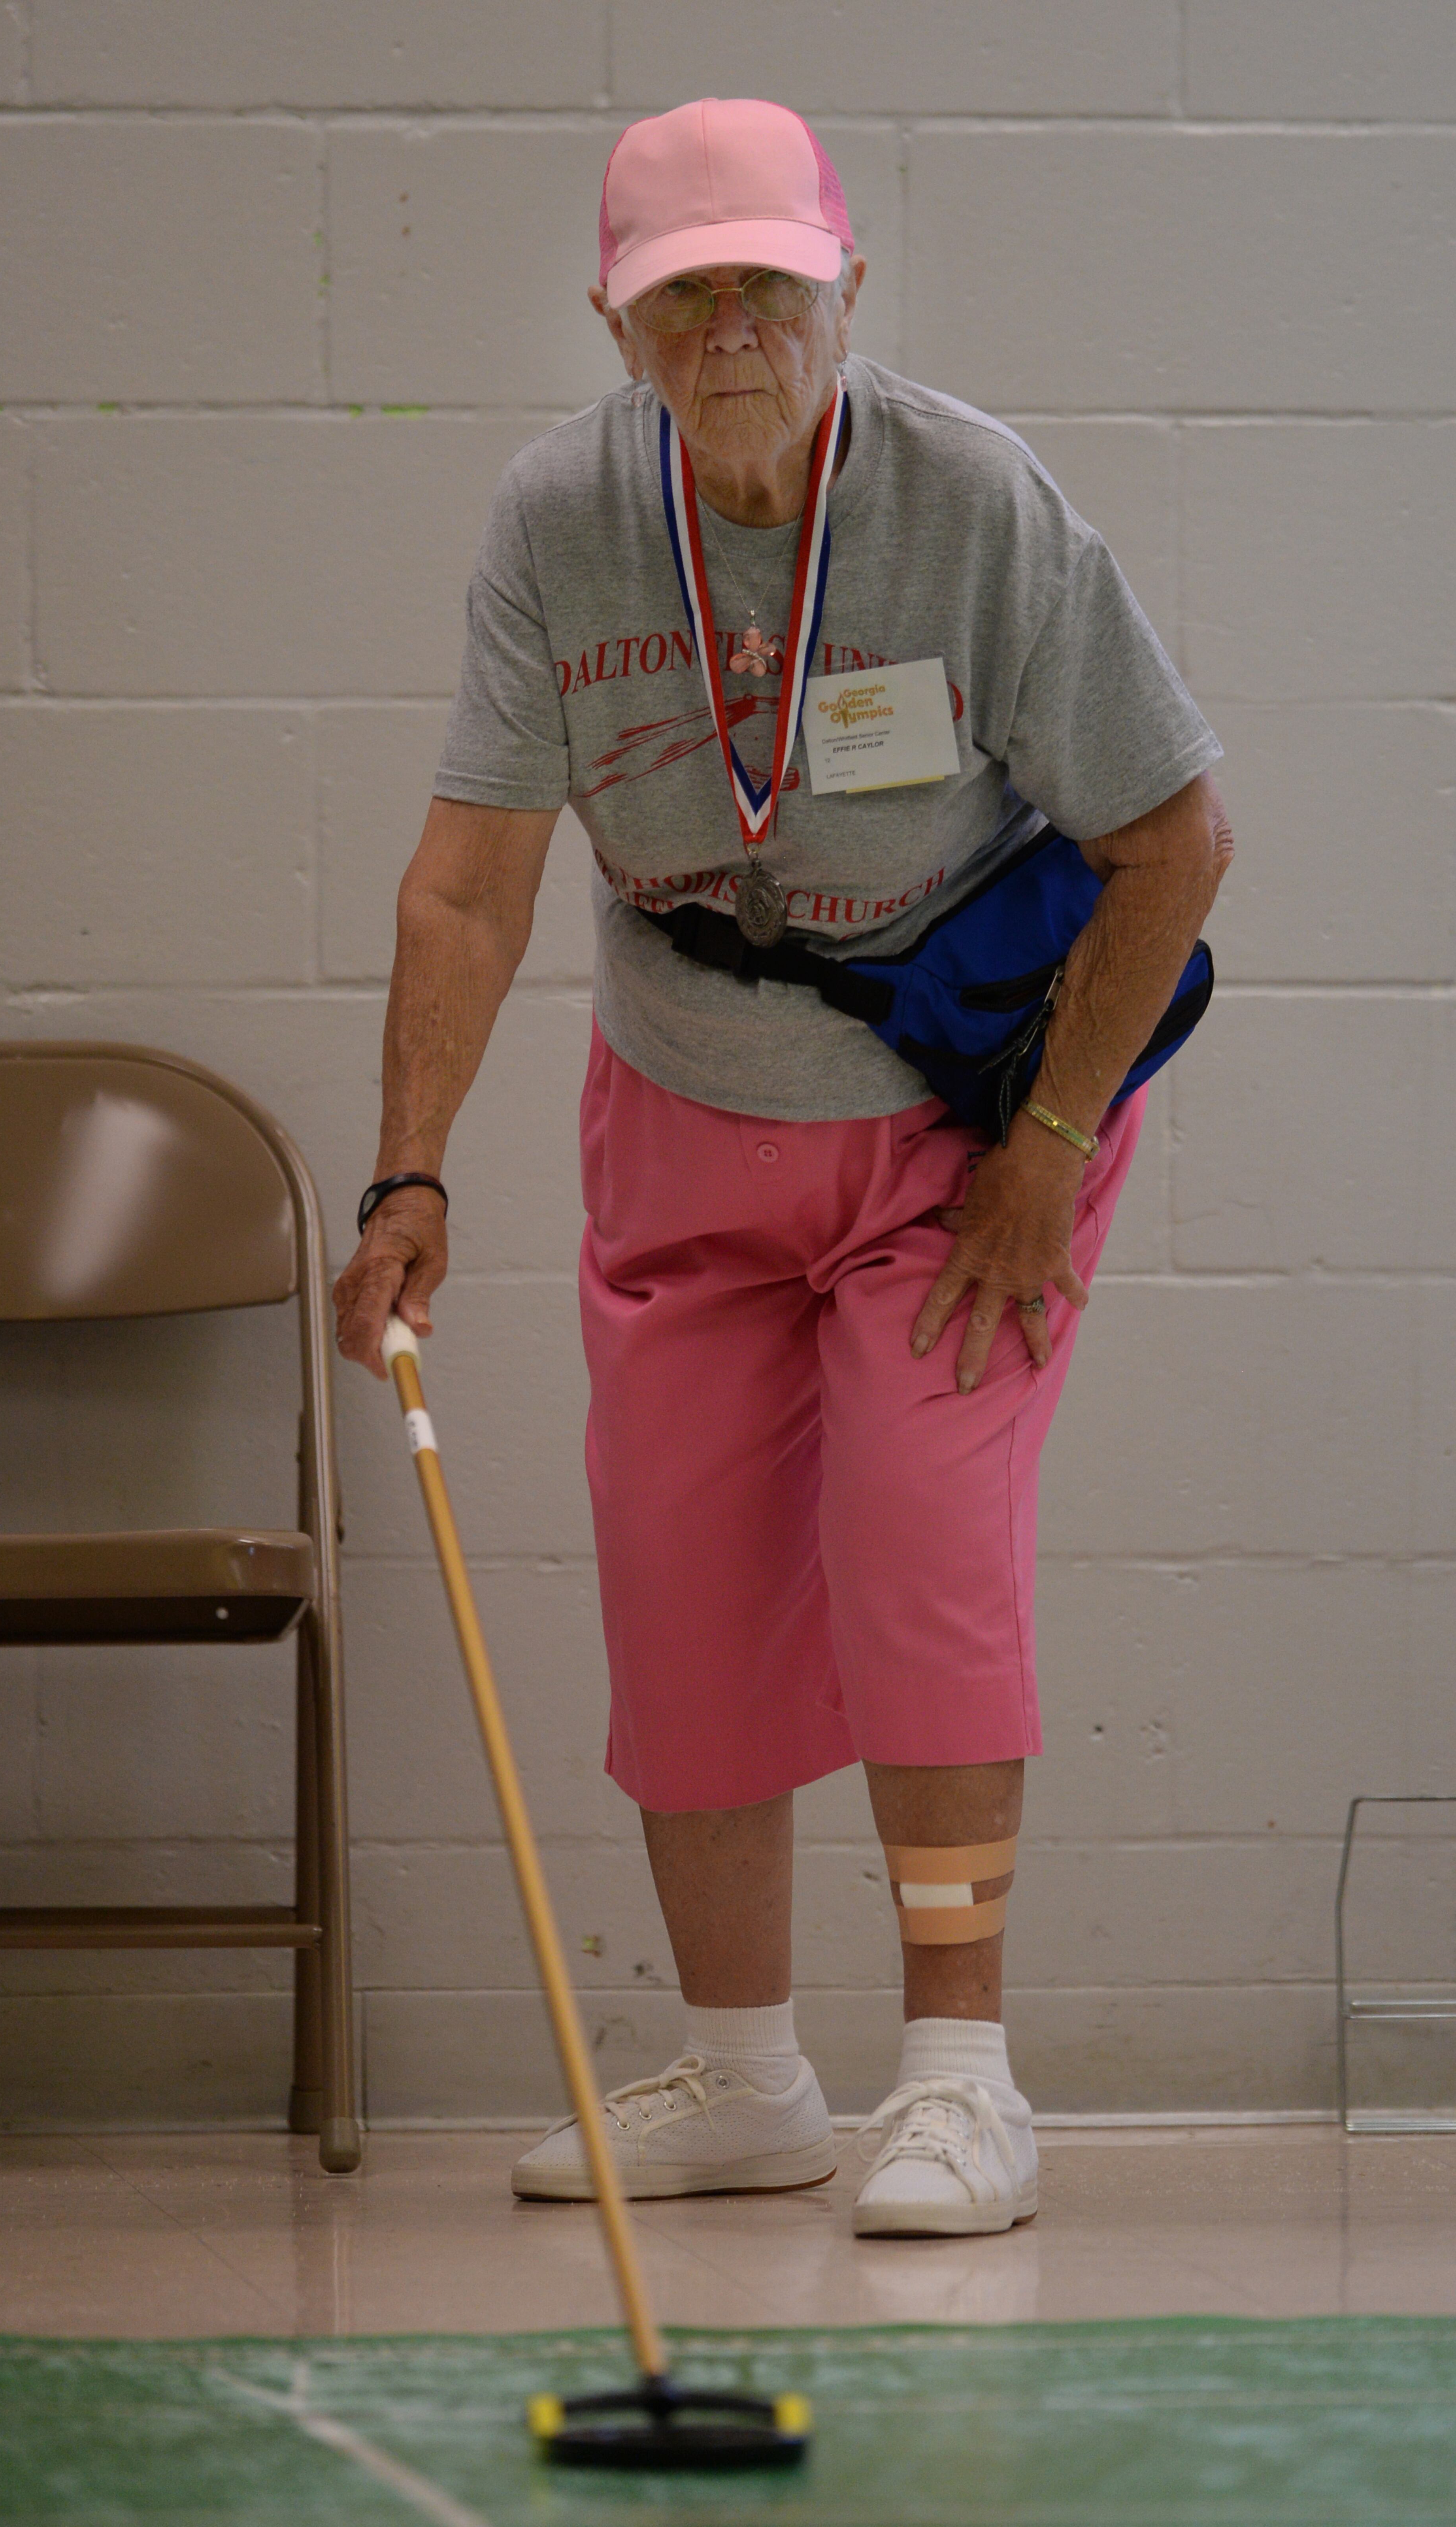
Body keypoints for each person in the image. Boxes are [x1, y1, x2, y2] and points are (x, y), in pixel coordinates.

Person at [334, 97, 1232, 2238]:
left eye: (765, 281)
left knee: (921, 1565)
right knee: (686, 1590)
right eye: (682, 292)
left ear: (845, 285)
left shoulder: (973, 502)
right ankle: (744, 2080)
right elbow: (468, 888)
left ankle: (959, 2077)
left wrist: (1049, 1137)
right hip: (685, 1108)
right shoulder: (561, 519)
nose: (729, 325)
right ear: (618, 318)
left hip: (960, 1138)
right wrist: (407, 1180)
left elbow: (1176, 840)